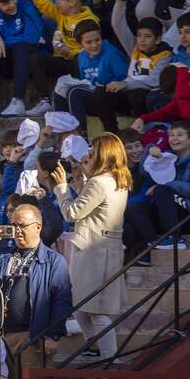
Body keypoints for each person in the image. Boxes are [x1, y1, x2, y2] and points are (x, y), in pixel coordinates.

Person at [52, 133, 129, 364]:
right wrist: (83, 177)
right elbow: (93, 202)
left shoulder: (100, 181)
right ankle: (96, 349)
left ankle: (108, 358)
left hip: (94, 250)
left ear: (103, 154)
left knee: (95, 308)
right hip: (103, 247)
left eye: (93, 151)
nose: (88, 155)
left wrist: (62, 187)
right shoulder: (116, 179)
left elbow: (73, 212)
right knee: (82, 306)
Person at [0, 203, 72, 374]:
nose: (17, 230)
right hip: (0, 335)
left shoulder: (54, 260)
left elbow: (62, 300)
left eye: (22, 225)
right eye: (14, 225)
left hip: (31, 337)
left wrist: (54, 335)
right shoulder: (3, 255)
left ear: (38, 227)